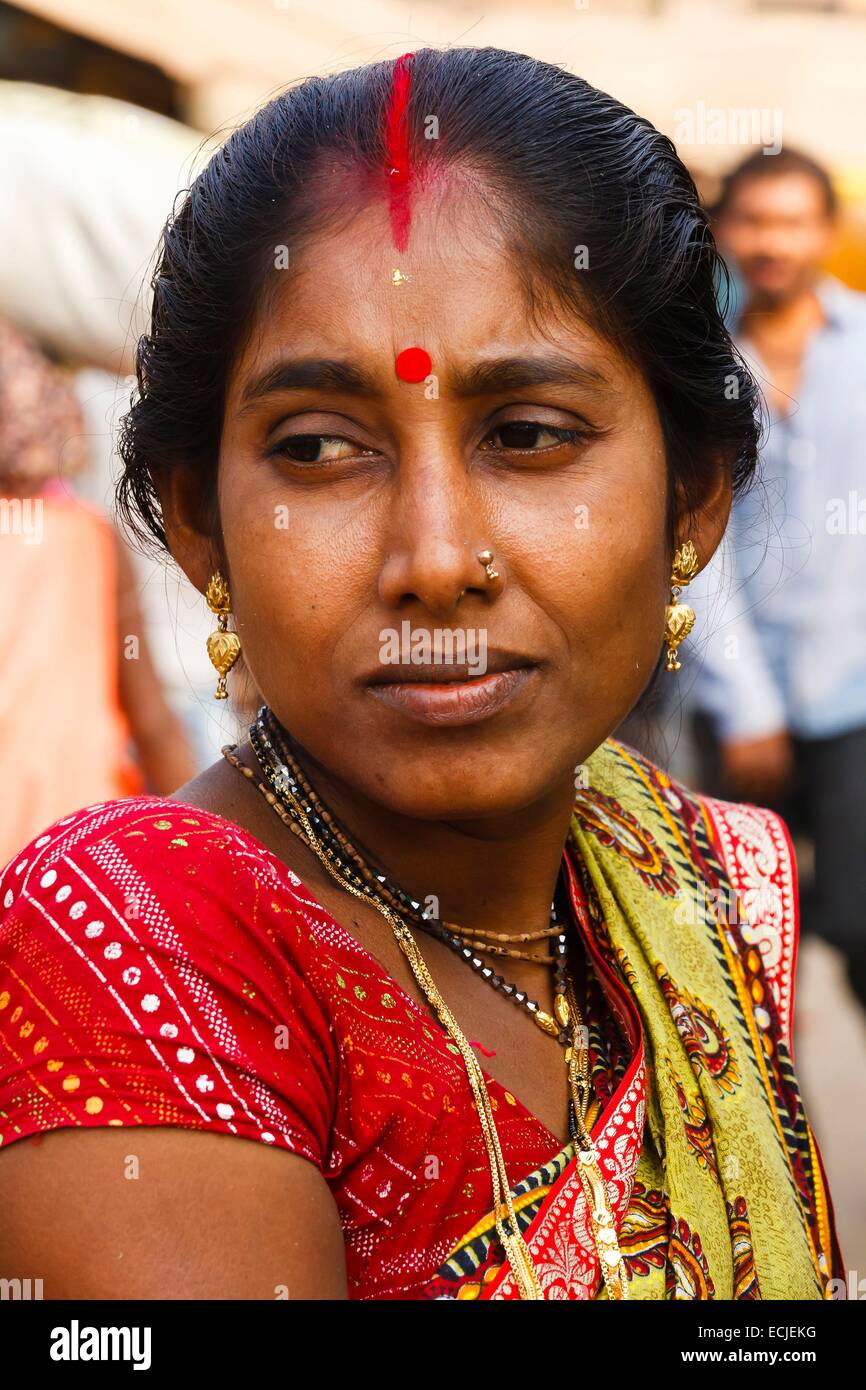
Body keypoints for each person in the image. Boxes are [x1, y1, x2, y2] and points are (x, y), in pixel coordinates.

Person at [0, 49, 841, 1301]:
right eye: (321, 447)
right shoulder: (137, 940)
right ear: (194, 521)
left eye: (528, 435)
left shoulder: (708, 886)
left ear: (693, 501)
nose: (436, 560)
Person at [688, 148, 866, 1011]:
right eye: (754, 220)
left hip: (857, 701)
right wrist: (749, 705)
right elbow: (694, 545)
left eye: (792, 221)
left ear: (826, 233)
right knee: (749, 966)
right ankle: (784, 1148)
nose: (772, 241)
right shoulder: (696, 371)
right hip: (735, 706)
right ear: (724, 231)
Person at [0, 319, 197, 867]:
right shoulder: (88, 534)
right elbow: (153, 724)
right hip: (81, 856)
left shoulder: (88, 536)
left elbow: (153, 723)